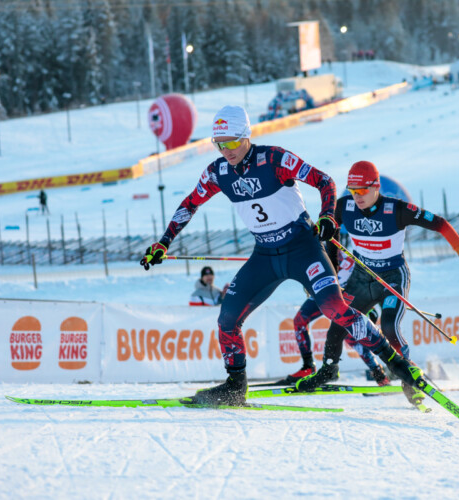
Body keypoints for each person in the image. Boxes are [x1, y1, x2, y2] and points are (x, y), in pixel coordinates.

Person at [140, 105, 441, 406]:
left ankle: (400, 366)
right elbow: (189, 203)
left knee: (334, 308)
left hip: (303, 247)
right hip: (265, 255)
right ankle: (234, 387)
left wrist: (328, 218)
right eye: (219, 144)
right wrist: (163, 242)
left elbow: (325, 181)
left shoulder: (273, 158)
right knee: (227, 319)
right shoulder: (217, 172)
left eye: (232, 141)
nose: (226, 150)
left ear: (246, 135)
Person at [297, 161, 459, 408]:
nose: (358, 196)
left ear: (376, 187)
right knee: (339, 322)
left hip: (393, 276)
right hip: (362, 276)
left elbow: (441, 224)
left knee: (388, 326)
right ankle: (329, 369)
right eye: (353, 191)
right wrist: (330, 275)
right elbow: (331, 239)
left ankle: (409, 378)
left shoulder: (396, 209)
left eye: (363, 190)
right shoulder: (344, 206)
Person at [284, 251, 389, 386]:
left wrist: (369, 307)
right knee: (299, 320)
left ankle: (380, 375)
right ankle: (308, 366)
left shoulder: (348, 262)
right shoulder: (312, 255)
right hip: (322, 292)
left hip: (342, 296)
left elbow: (365, 285)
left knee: (349, 334)